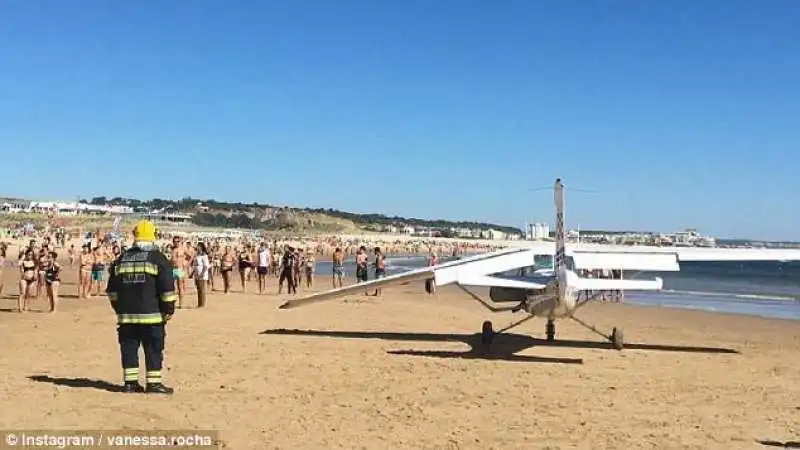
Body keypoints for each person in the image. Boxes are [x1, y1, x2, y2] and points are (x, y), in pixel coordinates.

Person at [106, 220, 176, 394]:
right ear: (153, 236)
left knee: (129, 347)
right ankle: (153, 383)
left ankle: (130, 383)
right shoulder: (158, 259)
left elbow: (112, 290)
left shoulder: (122, 259)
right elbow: (167, 288)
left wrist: (119, 308)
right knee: (153, 348)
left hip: (126, 316)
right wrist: (168, 309)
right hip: (152, 316)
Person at [192, 242, 210, 308]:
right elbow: (195, 265)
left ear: (202, 247)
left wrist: (202, 274)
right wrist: (192, 273)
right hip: (196, 273)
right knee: (198, 289)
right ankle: (199, 303)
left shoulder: (204, 256)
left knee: (202, 289)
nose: (197, 247)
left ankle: (202, 304)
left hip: (202, 274)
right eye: (197, 246)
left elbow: (206, 266)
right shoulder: (197, 255)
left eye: (199, 246)